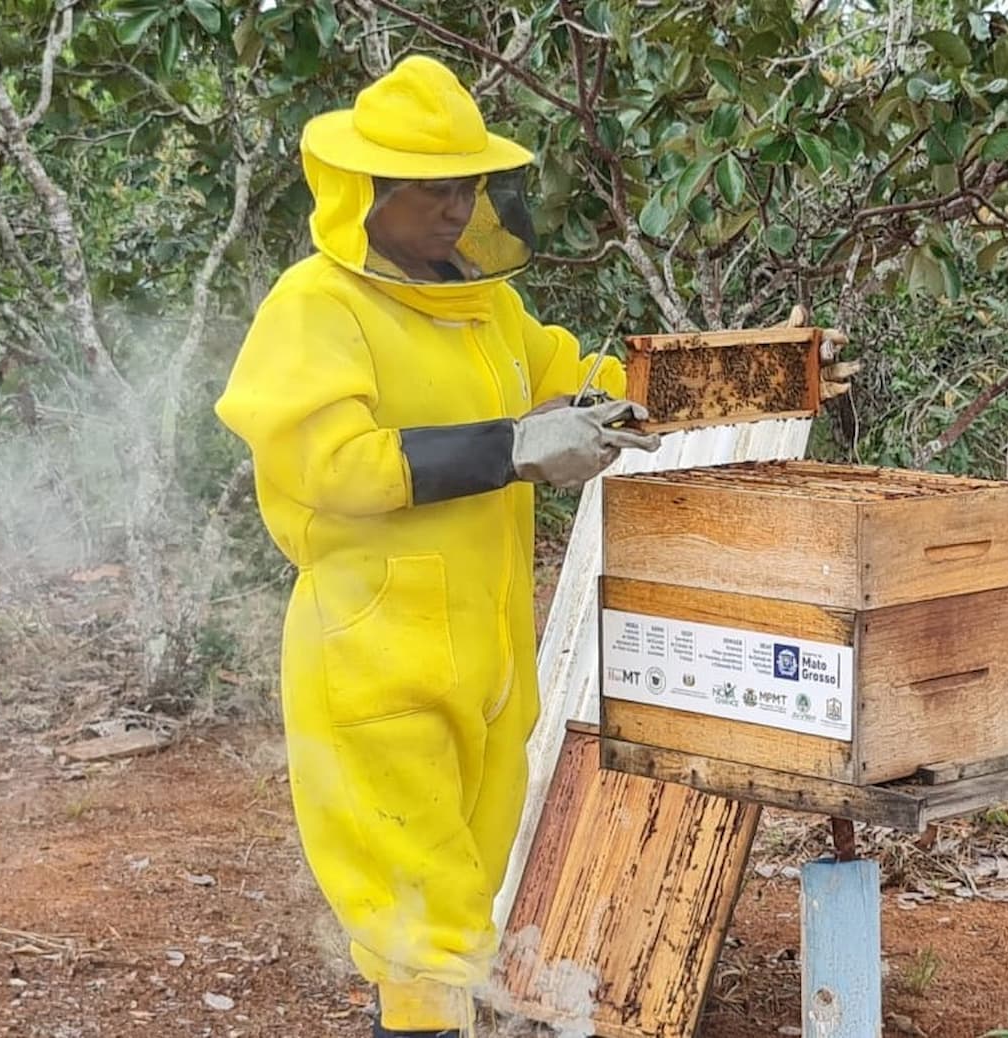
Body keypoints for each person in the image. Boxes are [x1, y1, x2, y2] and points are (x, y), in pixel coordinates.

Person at [216, 55, 857, 1038]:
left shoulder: (485, 308)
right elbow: (330, 463)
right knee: (420, 929)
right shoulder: (317, 308)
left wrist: (762, 375)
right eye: (430, 191)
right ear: (365, 196)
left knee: (464, 901)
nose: (455, 208)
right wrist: (514, 447)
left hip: (486, 661)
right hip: (372, 661)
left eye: (467, 187)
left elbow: (600, 387)